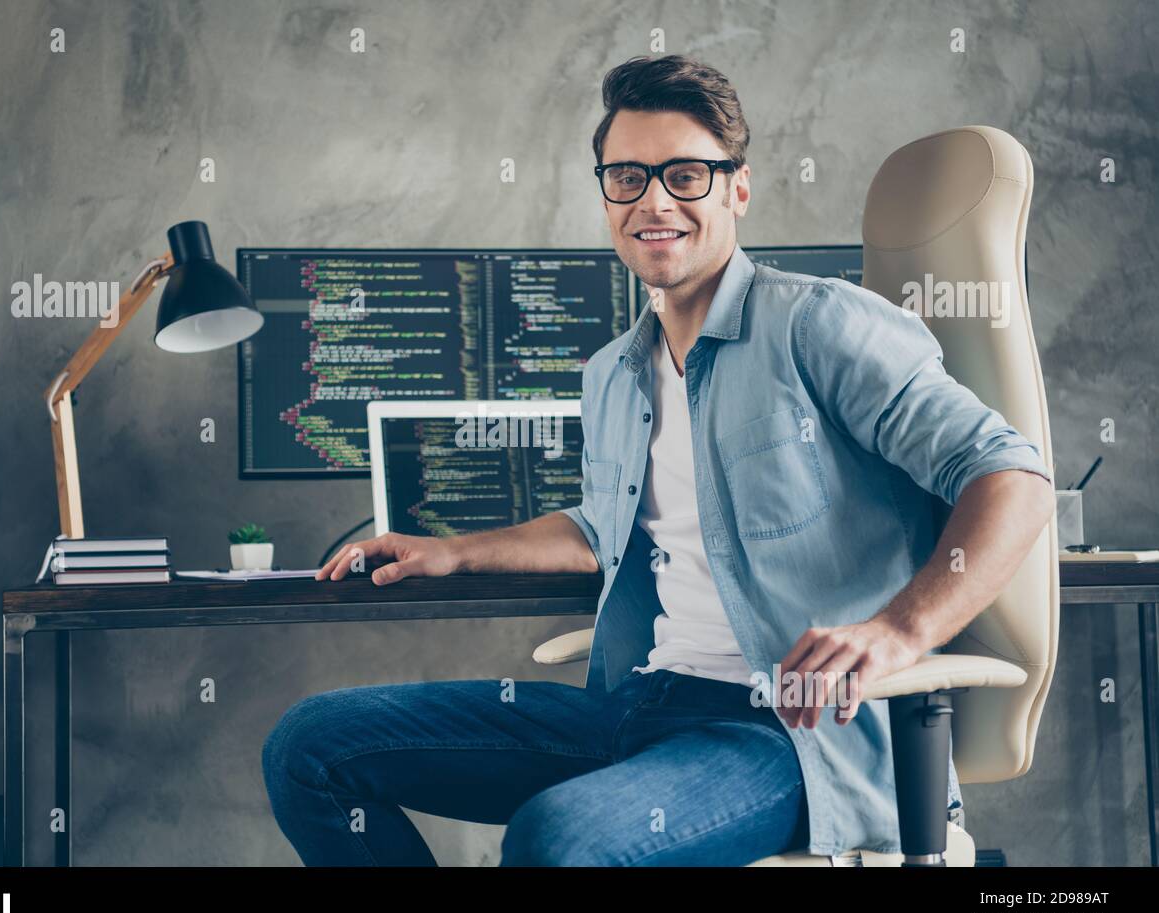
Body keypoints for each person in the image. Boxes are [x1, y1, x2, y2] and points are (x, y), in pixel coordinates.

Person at [261, 54, 1055, 866]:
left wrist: (897, 631)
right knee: (310, 747)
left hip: (788, 735)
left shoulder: (820, 326)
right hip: (639, 705)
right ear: (605, 194)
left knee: (556, 838)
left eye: (685, 175)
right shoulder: (612, 372)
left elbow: (1011, 477)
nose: (654, 201)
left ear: (736, 189)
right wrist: (452, 552)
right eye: (628, 177)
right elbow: (602, 528)